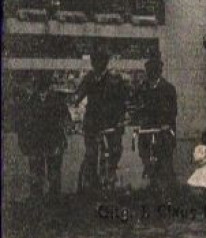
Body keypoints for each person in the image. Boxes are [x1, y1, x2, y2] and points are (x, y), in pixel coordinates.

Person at [75, 47, 127, 191]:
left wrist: (120, 120)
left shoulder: (115, 79)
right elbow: (79, 94)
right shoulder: (89, 78)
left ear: (106, 62)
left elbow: (122, 102)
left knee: (115, 149)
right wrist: (76, 101)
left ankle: (110, 173)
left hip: (110, 122)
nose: (97, 64)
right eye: (94, 61)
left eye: (101, 61)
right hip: (92, 122)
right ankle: (89, 181)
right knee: (91, 153)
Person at [16, 72, 70, 202]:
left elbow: (66, 119)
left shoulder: (56, 100)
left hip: (53, 141)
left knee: (54, 174)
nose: (41, 86)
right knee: (36, 174)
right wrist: (24, 142)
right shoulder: (30, 101)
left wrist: (62, 139)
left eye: (43, 82)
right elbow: (23, 123)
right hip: (37, 141)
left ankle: (53, 200)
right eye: (39, 82)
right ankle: (37, 200)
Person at [132, 55, 177, 194]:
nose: (152, 73)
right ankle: (149, 174)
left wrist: (167, 124)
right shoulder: (142, 88)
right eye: (150, 71)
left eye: (155, 70)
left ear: (160, 71)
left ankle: (168, 188)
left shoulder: (168, 88)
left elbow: (173, 110)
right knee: (144, 150)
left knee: (165, 157)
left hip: (163, 129)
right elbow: (137, 106)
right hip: (147, 127)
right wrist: (137, 120)